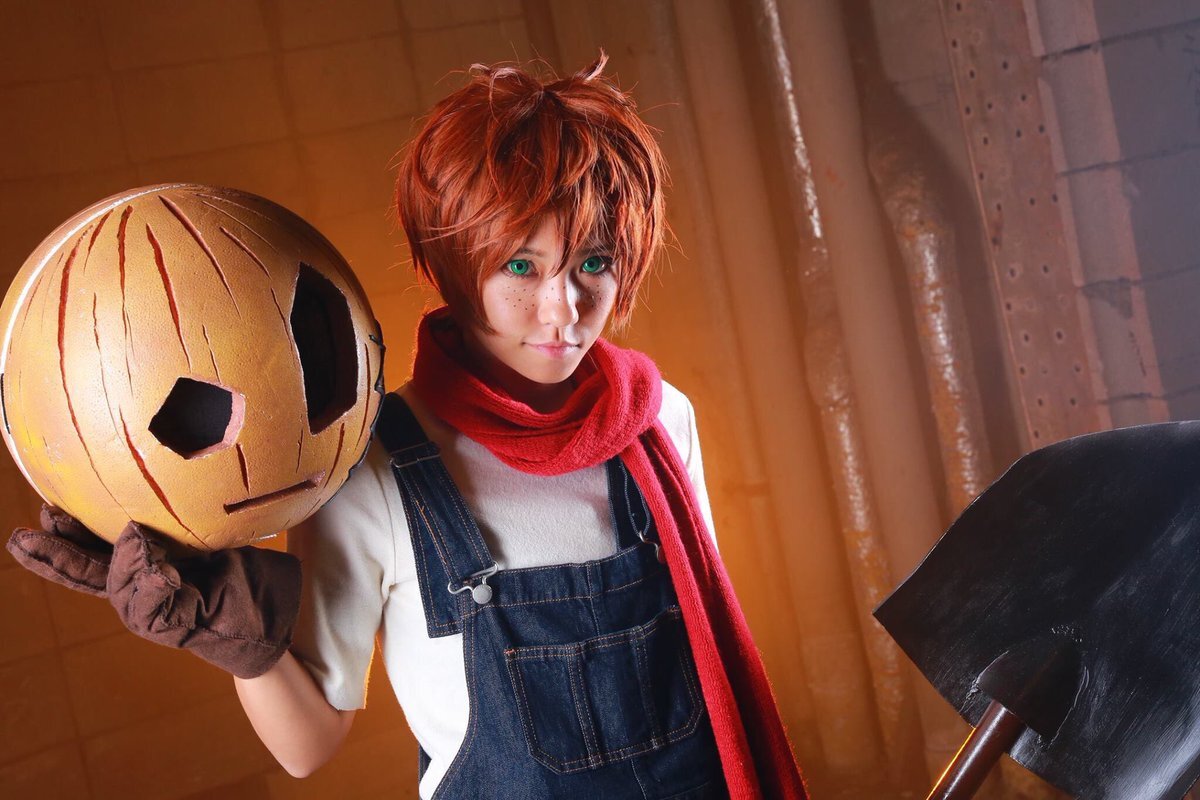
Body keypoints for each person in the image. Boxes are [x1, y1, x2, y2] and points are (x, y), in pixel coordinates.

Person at [9, 55, 805, 799]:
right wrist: (231, 639)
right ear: (453, 264)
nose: (563, 311)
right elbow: (308, 746)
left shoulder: (660, 421)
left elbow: (705, 665)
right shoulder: (373, 465)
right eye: (521, 266)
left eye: (592, 263)